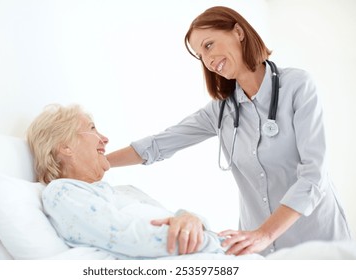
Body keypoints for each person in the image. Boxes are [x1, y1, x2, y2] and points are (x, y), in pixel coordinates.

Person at [106, 6, 352, 256]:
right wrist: (100, 163)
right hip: (257, 251)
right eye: (200, 55)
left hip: (316, 240)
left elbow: (313, 176)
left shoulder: (297, 86)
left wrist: (264, 233)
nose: (207, 60)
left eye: (209, 45)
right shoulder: (221, 112)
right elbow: (158, 144)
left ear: (238, 32)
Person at [26, 104, 228, 259]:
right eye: (92, 129)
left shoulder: (126, 191)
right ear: (65, 147)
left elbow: (191, 226)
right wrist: (214, 241)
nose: (104, 139)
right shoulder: (62, 193)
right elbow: (130, 239)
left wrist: (190, 218)